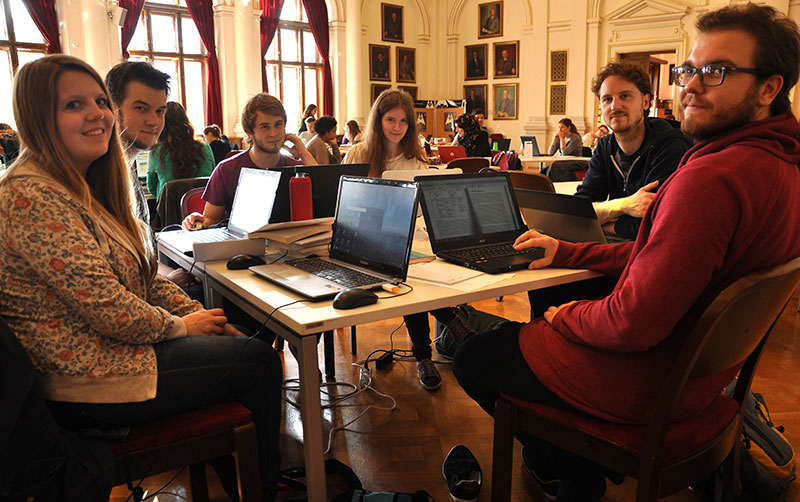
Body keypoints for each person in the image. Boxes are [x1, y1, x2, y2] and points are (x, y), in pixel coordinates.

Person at [453, 4, 800, 501]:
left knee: (475, 357)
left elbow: (631, 323)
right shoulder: (780, 164)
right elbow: (654, 253)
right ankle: (576, 469)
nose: (691, 86)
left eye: (716, 72)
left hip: (647, 382)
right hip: (702, 377)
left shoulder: (712, 177)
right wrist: (568, 251)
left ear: (769, 87)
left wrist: (564, 317)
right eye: (688, 70)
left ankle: (577, 471)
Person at [0, 55, 284, 501]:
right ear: (37, 116)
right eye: (74, 105)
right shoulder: (30, 195)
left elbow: (143, 277)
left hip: (113, 352)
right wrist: (182, 327)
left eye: (98, 101)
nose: (97, 113)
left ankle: (243, 477)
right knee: (260, 362)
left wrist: (199, 315)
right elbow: (108, 307)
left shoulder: (80, 183)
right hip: (87, 379)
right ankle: (265, 489)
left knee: (237, 339)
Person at [343, 89, 477, 390]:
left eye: (404, 121)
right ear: (378, 120)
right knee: (405, 274)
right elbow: (348, 205)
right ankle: (439, 334)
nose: (397, 127)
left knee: (414, 272)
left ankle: (427, 352)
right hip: (366, 239)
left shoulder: (415, 157)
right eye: (390, 119)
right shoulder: (359, 153)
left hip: (407, 237)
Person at [576, 61, 692, 240]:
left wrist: (602, 222)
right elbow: (578, 211)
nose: (614, 106)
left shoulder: (670, 146)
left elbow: (653, 224)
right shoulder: (605, 147)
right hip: (617, 248)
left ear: (645, 102)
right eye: (607, 99)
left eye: (625, 96)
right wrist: (624, 205)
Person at [182, 93, 316, 230]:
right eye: (265, 127)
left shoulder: (296, 169)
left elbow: (324, 197)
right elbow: (212, 218)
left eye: (278, 125)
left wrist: (303, 153)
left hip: (292, 244)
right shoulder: (226, 169)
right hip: (243, 246)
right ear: (249, 132)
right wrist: (199, 220)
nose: (274, 133)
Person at [105, 61, 170, 224]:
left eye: (160, 111)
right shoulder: (104, 178)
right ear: (112, 108)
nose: (154, 121)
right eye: (141, 108)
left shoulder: (124, 168)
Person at [147, 102, 215, 201]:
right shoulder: (205, 148)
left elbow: (152, 189)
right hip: (202, 210)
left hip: (169, 213)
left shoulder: (156, 152)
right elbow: (211, 182)